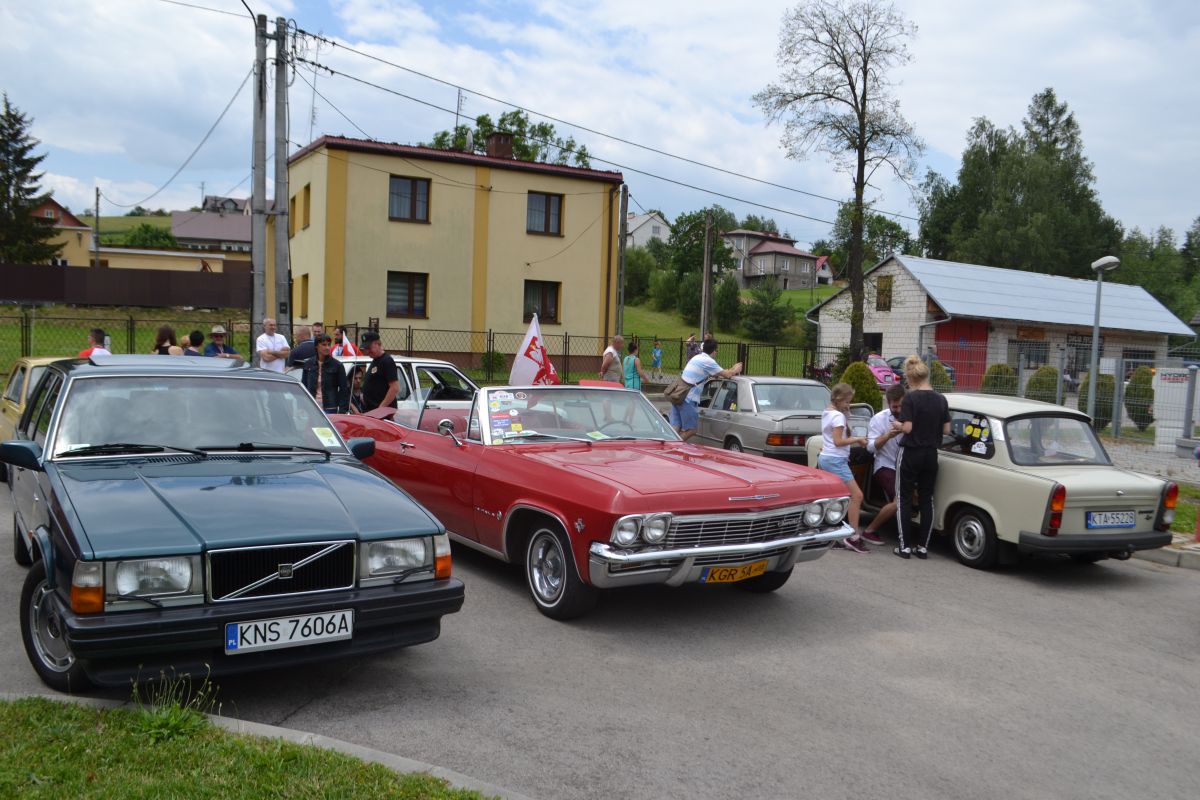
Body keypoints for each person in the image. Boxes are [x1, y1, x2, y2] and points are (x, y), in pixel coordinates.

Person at [892, 354, 951, 559]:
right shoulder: (941, 399)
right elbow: (946, 429)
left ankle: (904, 547)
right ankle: (923, 547)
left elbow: (907, 428)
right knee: (927, 499)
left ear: (911, 378)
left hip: (911, 452)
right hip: (931, 454)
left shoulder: (911, 398)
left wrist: (898, 425)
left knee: (904, 498)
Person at [816, 383, 870, 554]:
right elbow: (838, 441)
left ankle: (834, 533)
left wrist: (846, 413)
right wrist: (857, 439)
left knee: (836, 497)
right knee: (857, 496)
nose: (848, 405)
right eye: (847, 402)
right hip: (836, 460)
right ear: (838, 399)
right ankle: (852, 536)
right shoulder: (838, 416)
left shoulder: (827, 412)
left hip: (827, 457)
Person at [860, 384, 906, 546]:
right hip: (885, 465)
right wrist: (887, 436)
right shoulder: (879, 419)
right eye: (895, 407)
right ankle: (869, 530)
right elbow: (870, 447)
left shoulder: (911, 417)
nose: (899, 410)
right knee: (900, 499)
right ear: (888, 403)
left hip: (905, 467)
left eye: (901, 405)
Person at [670, 338, 742, 442]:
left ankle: (669, 447)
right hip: (688, 398)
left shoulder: (697, 357)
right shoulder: (708, 361)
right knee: (691, 430)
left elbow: (716, 374)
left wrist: (729, 371)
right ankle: (675, 445)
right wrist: (735, 369)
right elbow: (727, 374)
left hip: (678, 395)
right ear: (714, 351)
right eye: (717, 350)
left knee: (675, 428)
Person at [301, 334, 350, 414]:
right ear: (316, 346)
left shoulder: (337, 365)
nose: (327, 347)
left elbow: (344, 390)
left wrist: (342, 410)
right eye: (324, 345)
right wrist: (303, 406)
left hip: (330, 407)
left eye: (329, 345)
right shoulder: (308, 364)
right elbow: (304, 386)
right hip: (312, 405)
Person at [359, 331, 400, 412]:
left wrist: (380, 408)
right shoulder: (376, 360)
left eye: (369, 348)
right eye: (366, 348)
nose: (367, 351)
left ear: (377, 344)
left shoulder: (387, 361)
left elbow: (395, 388)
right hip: (372, 411)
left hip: (382, 413)